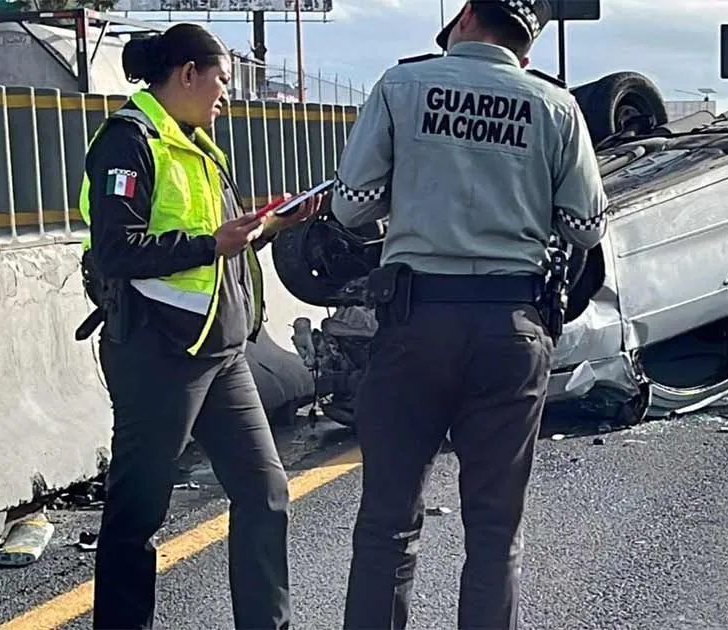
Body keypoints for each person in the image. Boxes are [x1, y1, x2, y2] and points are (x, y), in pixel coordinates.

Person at [329, 1, 606, 627]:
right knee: (493, 530)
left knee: (387, 524)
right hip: (511, 331)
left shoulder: (402, 85)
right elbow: (586, 226)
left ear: (464, 19)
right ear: (526, 48)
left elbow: (351, 207)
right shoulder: (554, 104)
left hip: (414, 324)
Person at [76, 23, 322, 630]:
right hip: (159, 351)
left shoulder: (199, 143)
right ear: (187, 73)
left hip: (222, 351)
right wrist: (211, 243)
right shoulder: (128, 141)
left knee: (266, 495)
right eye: (221, 80)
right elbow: (117, 247)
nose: (225, 95)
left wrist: (272, 225)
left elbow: (223, 243)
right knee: (138, 512)